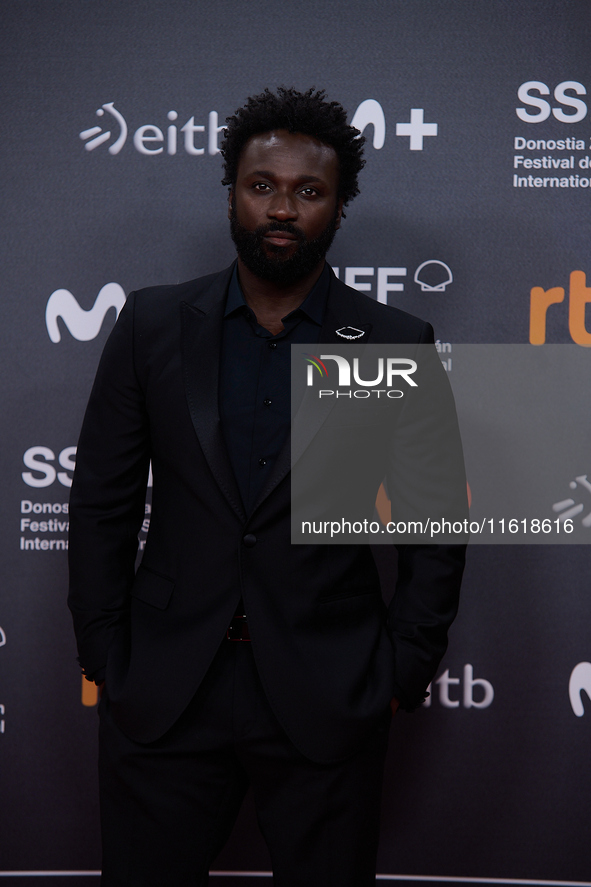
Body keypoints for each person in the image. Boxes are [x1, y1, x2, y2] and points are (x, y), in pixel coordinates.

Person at [68, 86, 466, 887]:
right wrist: (108, 657)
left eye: (308, 191)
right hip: (167, 690)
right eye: (261, 186)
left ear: (338, 207)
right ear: (230, 194)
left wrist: (400, 669)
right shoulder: (151, 325)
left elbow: (432, 523)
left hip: (329, 692)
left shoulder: (393, 339)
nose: (281, 207)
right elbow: (101, 504)